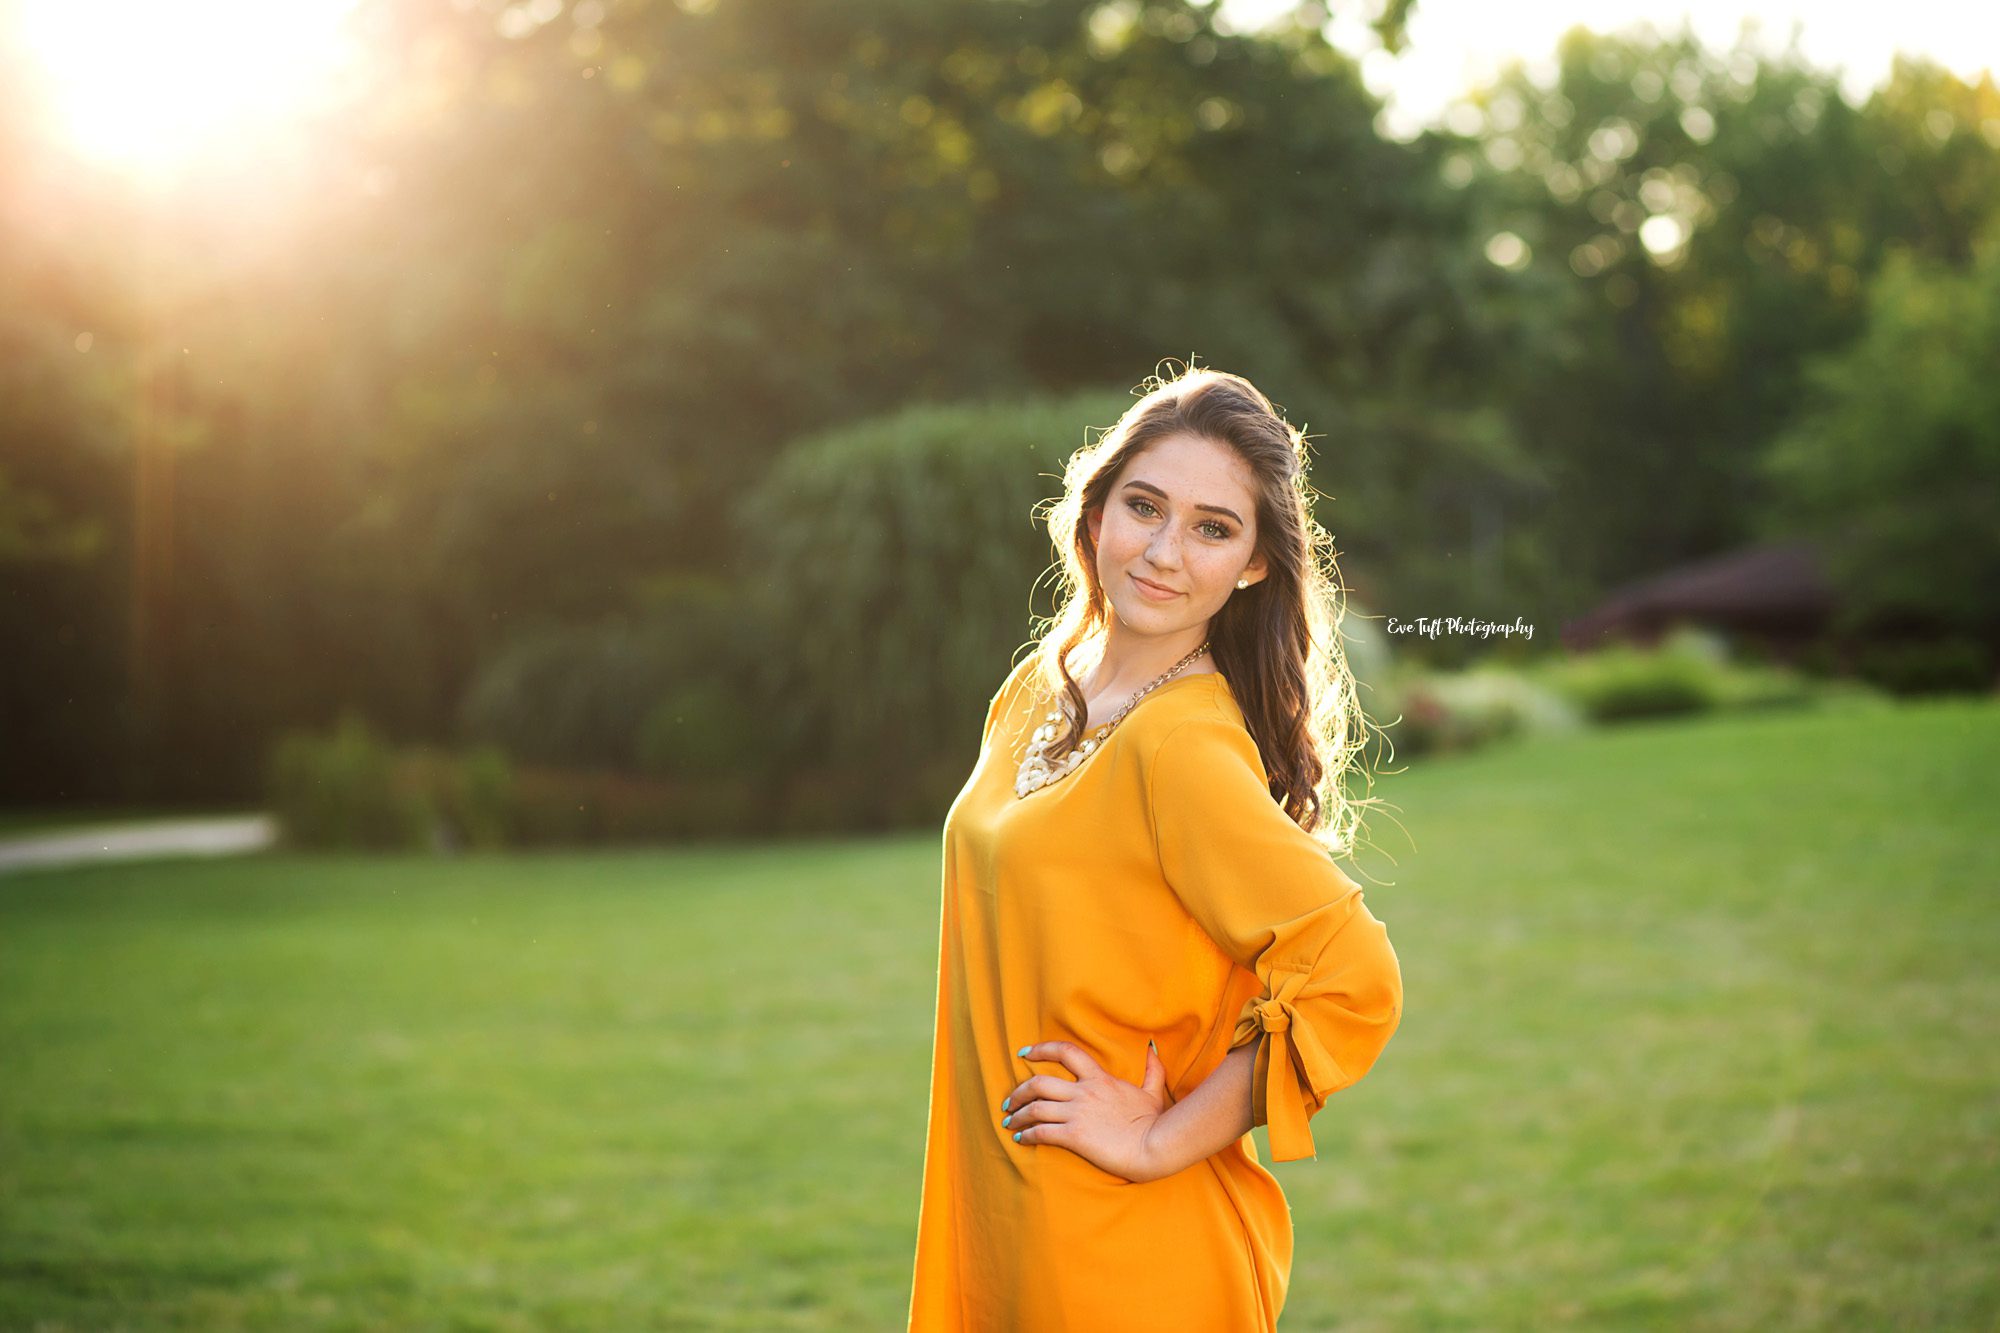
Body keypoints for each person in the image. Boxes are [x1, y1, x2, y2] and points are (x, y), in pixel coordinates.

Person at [906, 365, 1406, 1331]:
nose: (1165, 551)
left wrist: (1160, 1140)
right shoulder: (1042, 687)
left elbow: (1353, 977)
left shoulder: (1180, 745)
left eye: (1213, 527)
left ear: (1254, 564)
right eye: (1145, 507)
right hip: (1009, 1217)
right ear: (1096, 514)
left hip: (1124, 1255)